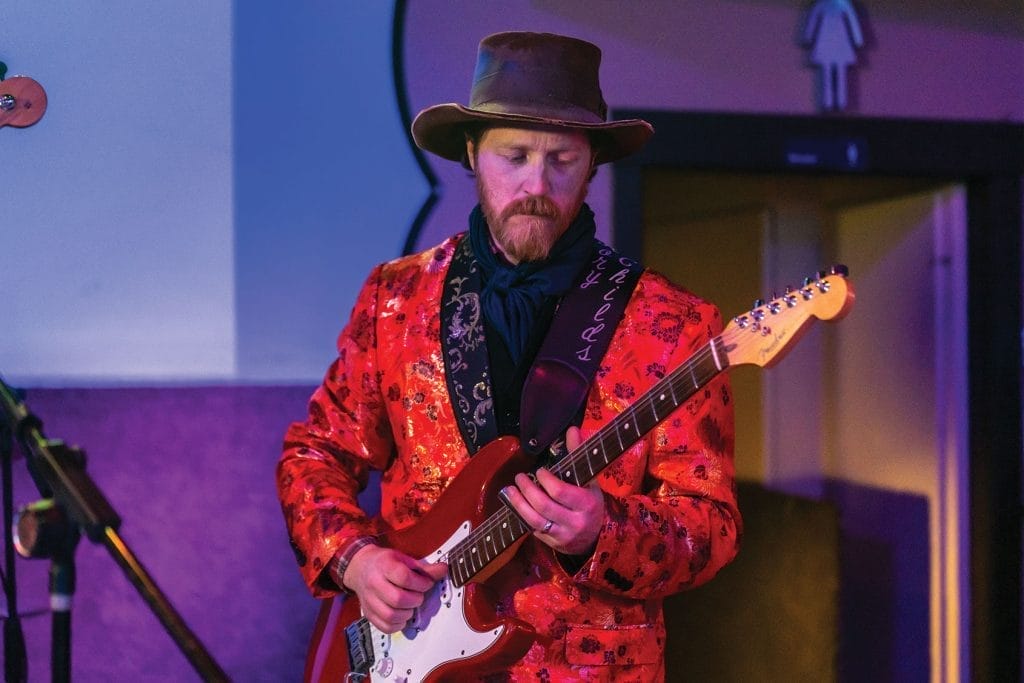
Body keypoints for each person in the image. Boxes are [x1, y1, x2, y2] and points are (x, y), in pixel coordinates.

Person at [277, 31, 741, 681]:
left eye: (561, 159)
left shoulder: (674, 325)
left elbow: (711, 527)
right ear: (471, 154)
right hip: (411, 657)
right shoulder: (395, 299)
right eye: (514, 155)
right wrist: (355, 558)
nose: (536, 182)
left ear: (592, 163)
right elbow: (313, 455)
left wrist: (604, 530)